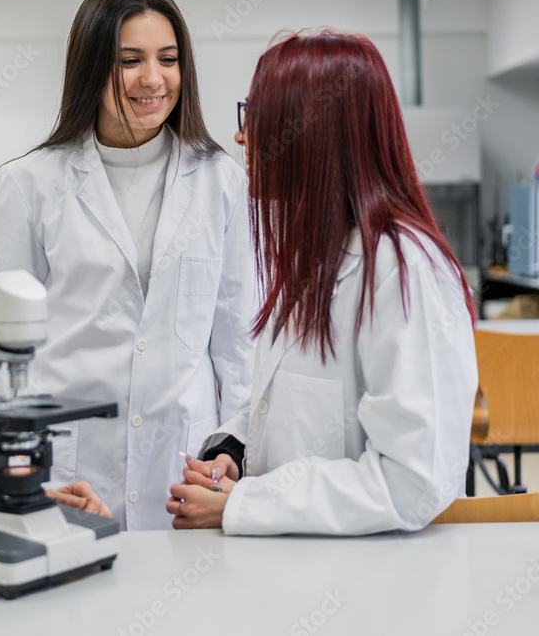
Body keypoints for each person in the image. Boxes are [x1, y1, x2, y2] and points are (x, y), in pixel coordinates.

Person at [167, 30, 478, 535]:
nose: (242, 136)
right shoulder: (316, 256)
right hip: (301, 573)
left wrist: (246, 503)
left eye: (259, 116)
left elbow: (414, 481)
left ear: (312, 133)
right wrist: (234, 457)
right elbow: (280, 407)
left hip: (375, 590)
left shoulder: (402, 270)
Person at [0, 0, 257, 530]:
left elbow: (238, 341)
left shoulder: (220, 180)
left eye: (168, 58)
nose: (152, 79)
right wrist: (19, 467)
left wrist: (235, 443)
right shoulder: (29, 183)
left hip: (185, 464)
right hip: (69, 467)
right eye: (128, 60)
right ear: (90, 66)